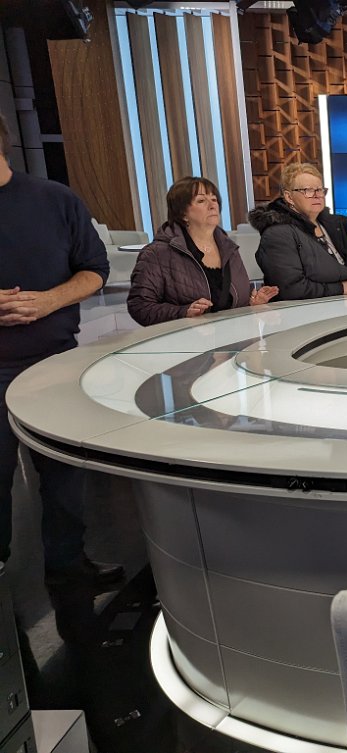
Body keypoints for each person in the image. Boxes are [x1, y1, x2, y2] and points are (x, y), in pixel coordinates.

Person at [0, 113, 124, 586]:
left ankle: (69, 566)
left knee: (64, 478)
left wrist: (50, 300)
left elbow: (94, 269)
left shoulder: (55, 200)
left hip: (51, 361)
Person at [127, 177, 278, 326]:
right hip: (188, 340)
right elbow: (140, 306)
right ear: (182, 213)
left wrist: (253, 301)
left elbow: (235, 295)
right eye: (201, 201)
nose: (212, 205)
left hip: (234, 338)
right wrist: (183, 312)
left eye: (214, 199)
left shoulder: (229, 249)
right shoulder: (157, 253)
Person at [251, 163, 347, 300]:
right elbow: (290, 289)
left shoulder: (333, 226)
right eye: (308, 190)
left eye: (319, 190)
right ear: (289, 197)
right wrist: (341, 289)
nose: (317, 195)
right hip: (304, 311)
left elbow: (346, 268)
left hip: (342, 306)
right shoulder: (277, 234)